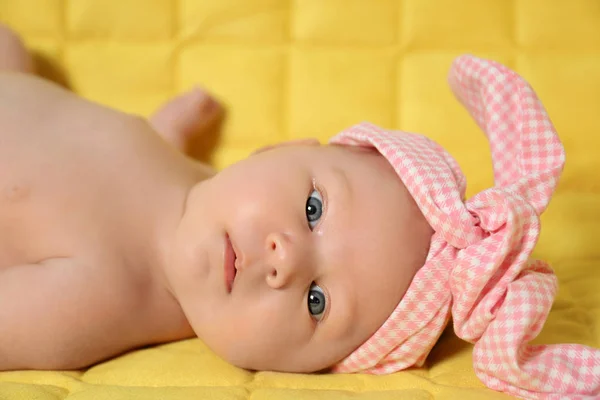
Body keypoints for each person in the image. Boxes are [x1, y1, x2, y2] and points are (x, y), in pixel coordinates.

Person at [0, 24, 598, 399]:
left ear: (311, 370)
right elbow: (114, 164)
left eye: (318, 301)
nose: (284, 257)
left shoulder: (97, 301)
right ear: (282, 151)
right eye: (313, 207)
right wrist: (163, 133)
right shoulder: (194, 190)